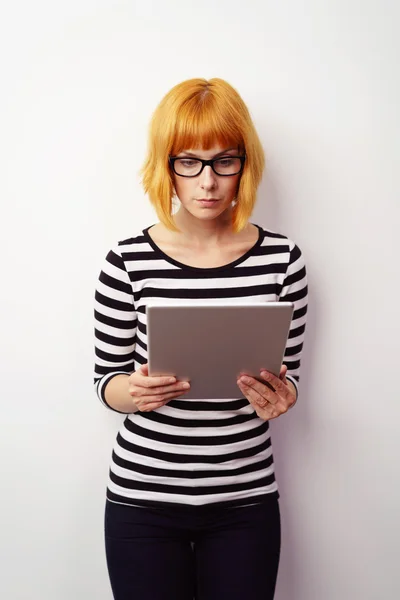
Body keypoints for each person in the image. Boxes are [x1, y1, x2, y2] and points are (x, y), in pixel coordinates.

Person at [94, 77, 308, 600]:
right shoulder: (127, 260)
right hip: (142, 500)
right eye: (188, 161)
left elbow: (290, 378)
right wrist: (134, 391)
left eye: (223, 161)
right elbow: (105, 382)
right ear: (165, 167)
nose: (207, 181)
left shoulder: (283, 261)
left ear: (245, 165)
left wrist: (283, 399)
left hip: (245, 502)